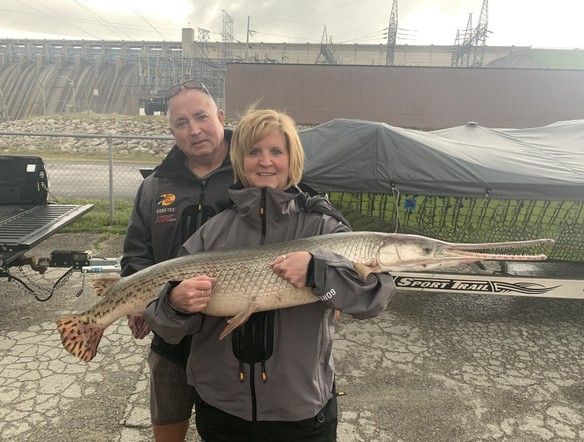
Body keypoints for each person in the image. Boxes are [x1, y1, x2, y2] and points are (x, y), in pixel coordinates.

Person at [144, 108, 396, 442]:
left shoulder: (323, 226)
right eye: (254, 152)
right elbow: (167, 326)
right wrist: (175, 303)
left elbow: (372, 300)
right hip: (222, 409)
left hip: (300, 410)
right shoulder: (212, 233)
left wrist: (320, 274)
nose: (265, 161)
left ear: (292, 158)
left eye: (276, 151)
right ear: (239, 160)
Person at [120, 80, 234, 441]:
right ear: (171, 131)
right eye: (181, 123)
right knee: (168, 428)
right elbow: (137, 253)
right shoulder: (154, 186)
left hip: (231, 342)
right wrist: (141, 304)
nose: (194, 129)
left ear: (220, 116)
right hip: (170, 340)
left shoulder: (252, 174)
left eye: (201, 116)